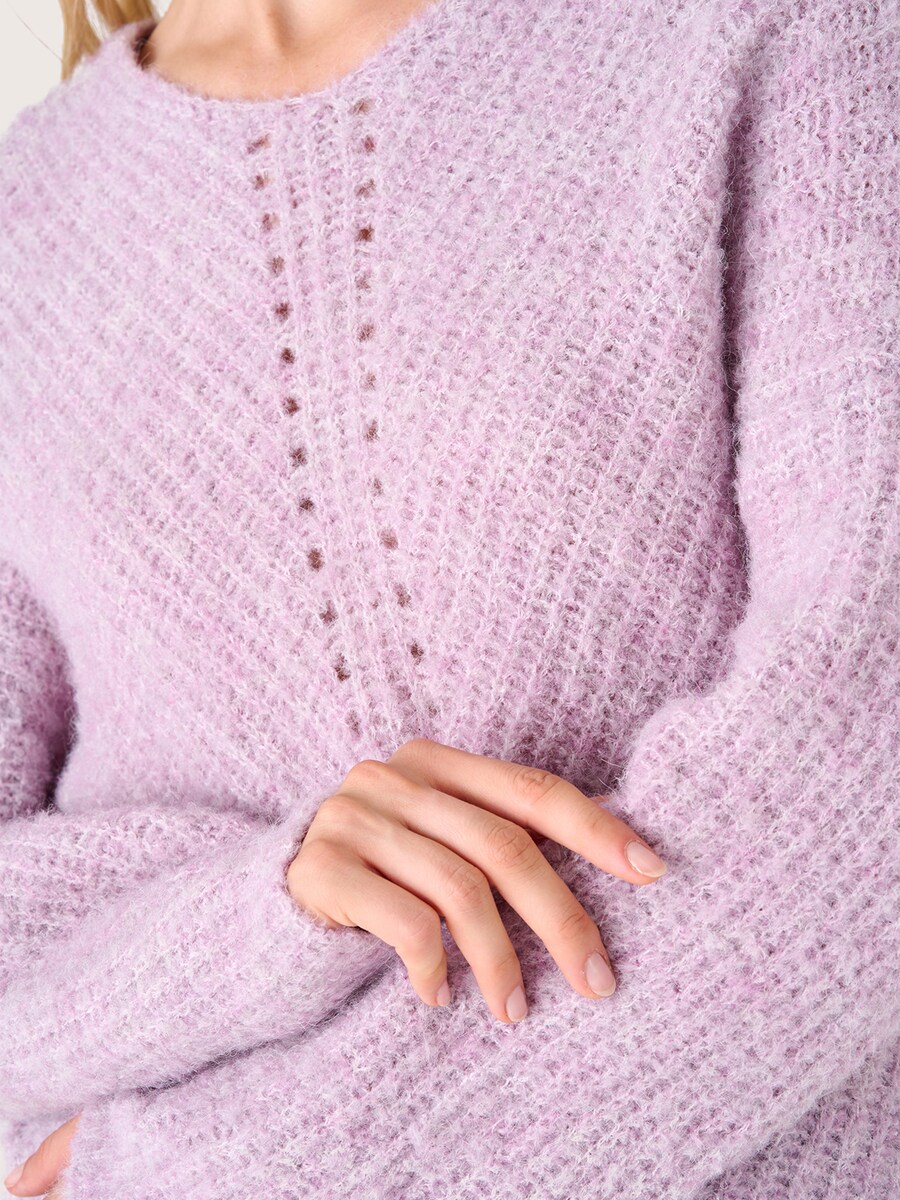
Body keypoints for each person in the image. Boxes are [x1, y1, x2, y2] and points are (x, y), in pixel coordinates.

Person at [0, 0, 896, 1196]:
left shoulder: (771, 36)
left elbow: (866, 762)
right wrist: (257, 919)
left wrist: (255, 1167)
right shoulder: (25, 220)